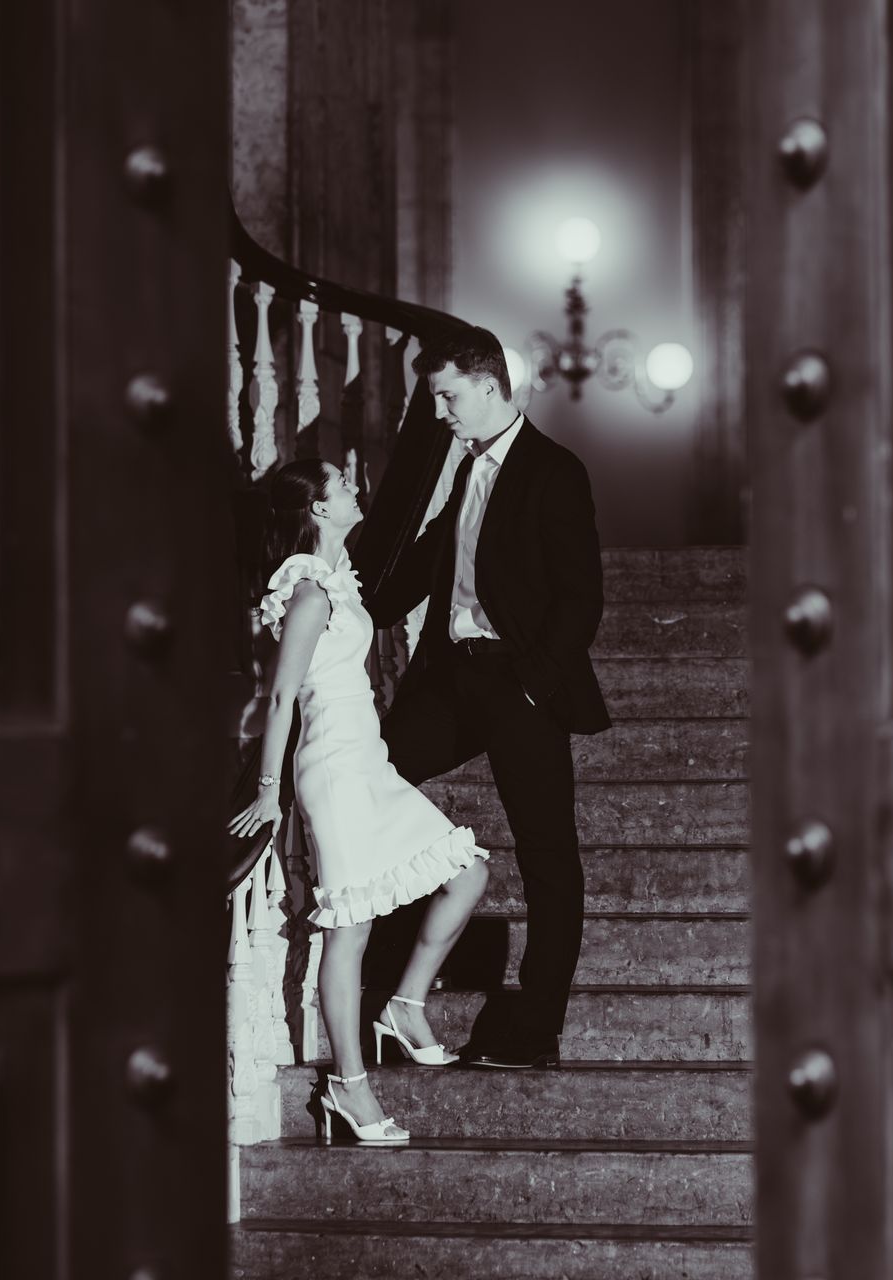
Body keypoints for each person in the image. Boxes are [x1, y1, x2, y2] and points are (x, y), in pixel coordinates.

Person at [366, 325, 609, 1070]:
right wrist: (336, 602)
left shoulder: (553, 470)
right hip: (452, 680)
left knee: (547, 857)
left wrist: (535, 685)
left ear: (488, 384)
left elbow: (581, 599)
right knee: (371, 777)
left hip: (519, 683)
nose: (439, 412)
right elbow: (423, 568)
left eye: (447, 396)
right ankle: (390, 981)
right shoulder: (467, 469)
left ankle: (535, 1030)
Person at [229, 458, 491, 1145]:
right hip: (335, 770)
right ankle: (349, 1085)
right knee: (351, 926)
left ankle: (404, 1005)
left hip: (369, 761)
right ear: (319, 509)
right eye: (340, 484)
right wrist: (268, 793)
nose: (353, 486)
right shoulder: (309, 593)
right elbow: (281, 697)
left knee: (468, 872)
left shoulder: (334, 580)